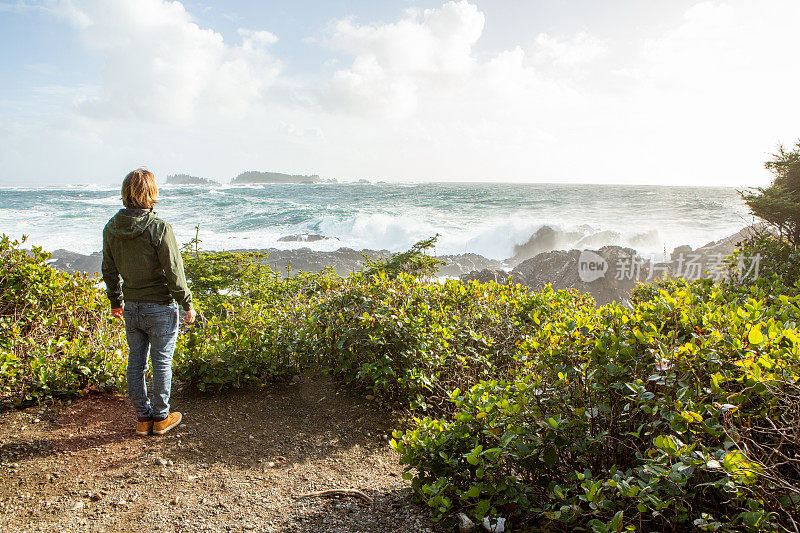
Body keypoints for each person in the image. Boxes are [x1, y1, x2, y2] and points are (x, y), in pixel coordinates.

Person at [101, 169, 196, 436]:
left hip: (131, 307)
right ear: (151, 193)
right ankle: (161, 417)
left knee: (136, 363)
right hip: (160, 307)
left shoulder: (111, 228)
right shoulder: (159, 227)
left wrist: (116, 302)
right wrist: (187, 304)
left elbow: (109, 270)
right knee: (161, 362)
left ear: (126, 192)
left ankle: (143, 419)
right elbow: (174, 271)